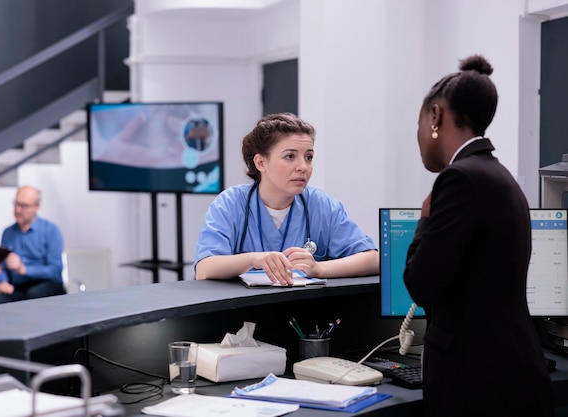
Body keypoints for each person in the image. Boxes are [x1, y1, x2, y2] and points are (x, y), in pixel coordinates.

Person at [403, 55, 554, 416]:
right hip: (511, 370)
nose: (419, 136)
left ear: (436, 117)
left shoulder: (460, 180)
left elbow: (421, 284)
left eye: (420, 122)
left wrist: (424, 220)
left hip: (477, 382)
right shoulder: (498, 175)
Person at [194, 112, 379, 284]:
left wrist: (319, 268)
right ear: (260, 162)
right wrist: (254, 259)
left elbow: (373, 260)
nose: (303, 167)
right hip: (244, 314)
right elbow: (204, 269)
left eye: (309, 157)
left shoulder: (321, 205)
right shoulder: (229, 204)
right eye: (290, 156)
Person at [0, 186, 66, 304]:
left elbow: (55, 270)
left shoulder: (51, 230)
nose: (18, 210)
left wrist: (24, 270)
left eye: (24, 206)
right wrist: (1, 281)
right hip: (18, 287)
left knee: (34, 295)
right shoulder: (8, 233)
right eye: (16, 204)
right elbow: (2, 266)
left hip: (46, 284)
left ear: (36, 207)